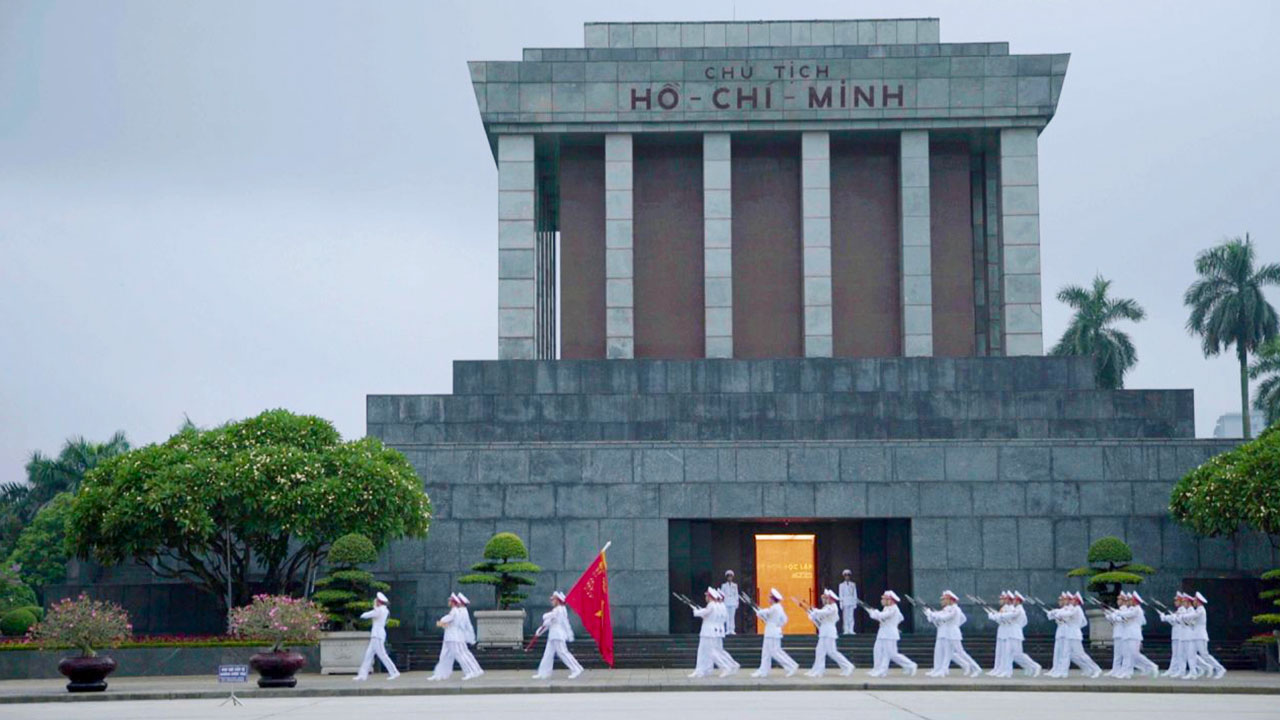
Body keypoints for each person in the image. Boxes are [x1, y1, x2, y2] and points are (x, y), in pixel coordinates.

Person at [1044, 592, 1101, 679]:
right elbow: (1064, 614)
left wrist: (1057, 613)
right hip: (1069, 634)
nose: (1071, 601)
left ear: (1077, 601)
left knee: (1081, 654)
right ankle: (1063, 672)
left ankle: (1096, 669)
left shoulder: (1077, 609)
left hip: (1075, 635)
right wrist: (1055, 613)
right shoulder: (1072, 608)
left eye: (1073, 600)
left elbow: (1067, 614)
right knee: (1065, 654)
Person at [924, 590, 980, 678]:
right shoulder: (947, 609)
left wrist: (933, 614)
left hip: (954, 634)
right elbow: (939, 616)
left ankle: (976, 668)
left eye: (945, 599)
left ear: (951, 600)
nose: (943, 600)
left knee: (961, 652)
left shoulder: (955, 609)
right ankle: (942, 670)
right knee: (947, 653)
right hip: (948, 633)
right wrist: (930, 614)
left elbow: (945, 617)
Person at [986, 590, 1040, 678]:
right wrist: (996, 616)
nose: (1012, 601)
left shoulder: (1018, 610)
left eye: (1014, 600)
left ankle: (1033, 666)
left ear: (1018, 601)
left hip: (1014, 634)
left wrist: (995, 616)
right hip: (1011, 633)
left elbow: (1010, 616)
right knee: (1013, 654)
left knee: (1015, 654)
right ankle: (1025, 668)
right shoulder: (1016, 609)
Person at [533, 590, 584, 680]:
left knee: (563, 653)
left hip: (558, 635)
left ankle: (576, 669)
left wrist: (544, 620)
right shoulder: (557, 610)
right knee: (548, 654)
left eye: (553, 599)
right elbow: (548, 623)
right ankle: (543, 673)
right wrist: (539, 631)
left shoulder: (560, 610)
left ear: (557, 600)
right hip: (553, 635)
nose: (552, 601)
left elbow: (548, 618)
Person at [865, 590, 917, 677]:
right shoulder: (887, 608)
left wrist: (874, 613)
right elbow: (899, 618)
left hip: (889, 634)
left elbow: (882, 616)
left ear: (890, 600)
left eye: (884, 599)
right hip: (883, 632)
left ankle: (910, 665)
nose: (882, 600)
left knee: (890, 654)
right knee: (877, 650)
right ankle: (877, 669)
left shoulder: (893, 609)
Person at [429, 594, 479, 681]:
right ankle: (440, 674)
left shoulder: (456, 612)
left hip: (454, 637)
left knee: (461, 655)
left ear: (453, 602)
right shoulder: (456, 611)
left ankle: (471, 671)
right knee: (444, 656)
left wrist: (441, 623)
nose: (448, 602)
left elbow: (447, 621)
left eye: (450, 601)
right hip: (449, 637)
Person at [805, 589, 854, 677]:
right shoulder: (827, 607)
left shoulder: (833, 607)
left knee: (832, 652)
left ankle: (848, 666)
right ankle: (817, 670)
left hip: (829, 632)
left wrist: (815, 611)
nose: (824, 600)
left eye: (826, 598)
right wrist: (812, 615)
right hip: (824, 631)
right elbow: (820, 620)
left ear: (831, 599)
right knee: (820, 651)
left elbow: (824, 612)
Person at [751, 588, 798, 678]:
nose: (768, 599)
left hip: (772, 633)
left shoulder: (775, 608)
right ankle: (763, 670)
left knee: (775, 652)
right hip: (771, 632)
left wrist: (759, 612)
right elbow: (784, 620)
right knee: (766, 653)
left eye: (770, 598)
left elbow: (766, 613)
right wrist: (777, 625)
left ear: (773, 599)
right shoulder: (778, 607)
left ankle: (791, 666)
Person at [353, 591, 400, 681]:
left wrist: (374, 606)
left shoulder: (379, 610)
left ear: (379, 602)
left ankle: (394, 672)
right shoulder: (384, 610)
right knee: (368, 655)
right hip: (376, 635)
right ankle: (362, 675)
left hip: (377, 635)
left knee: (382, 655)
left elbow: (366, 615)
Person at [1187, 592, 1226, 679]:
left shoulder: (1201, 610)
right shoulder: (1198, 610)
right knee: (1191, 654)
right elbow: (1192, 622)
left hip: (1200, 636)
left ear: (1198, 601)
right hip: (1195, 636)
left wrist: (1182, 617)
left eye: (1195, 600)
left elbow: (1192, 616)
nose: (1193, 602)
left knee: (1204, 655)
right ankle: (1196, 671)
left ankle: (1220, 668)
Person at [1159, 592, 1194, 678]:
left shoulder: (1183, 610)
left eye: (1177, 600)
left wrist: (1166, 618)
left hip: (1180, 634)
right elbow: (1174, 620)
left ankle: (1179, 670)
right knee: (1176, 654)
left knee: (1181, 654)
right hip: (1176, 634)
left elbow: (1176, 620)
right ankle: (1174, 670)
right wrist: (1167, 618)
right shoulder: (1179, 610)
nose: (1175, 602)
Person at [708, 588, 741, 676]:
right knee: (720, 651)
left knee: (714, 652)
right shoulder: (722, 606)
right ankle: (733, 664)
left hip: (715, 630)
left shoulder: (716, 606)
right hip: (719, 630)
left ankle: (726, 667)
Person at [453, 593, 484, 679]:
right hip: (461, 636)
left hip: (460, 636)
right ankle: (476, 670)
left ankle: (470, 671)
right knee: (465, 654)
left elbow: (461, 625)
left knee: (462, 655)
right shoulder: (462, 611)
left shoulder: (461, 611)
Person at [720, 570, 740, 636]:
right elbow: (722, 595)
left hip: (733, 601)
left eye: (731, 576)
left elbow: (736, 594)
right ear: (727, 577)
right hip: (726, 601)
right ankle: (728, 629)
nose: (730, 578)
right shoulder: (724, 585)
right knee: (727, 617)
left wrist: (737, 602)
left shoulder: (735, 585)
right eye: (728, 577)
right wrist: (722, 603)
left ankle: (732, 629)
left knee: (732, 616)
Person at [838, 569, 858, 635]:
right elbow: (841, 594)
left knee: (851, 616)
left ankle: (851, 629)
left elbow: (855, 594)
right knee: (845, 616)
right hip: (845, 601)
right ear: (844, 576)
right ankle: (846, 629)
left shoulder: (853, 584)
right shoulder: (841, 585)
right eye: (846, 575)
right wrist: (841, 604)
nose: (847, 577)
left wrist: (855, 603)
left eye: (848, 575)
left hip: (851, 601)